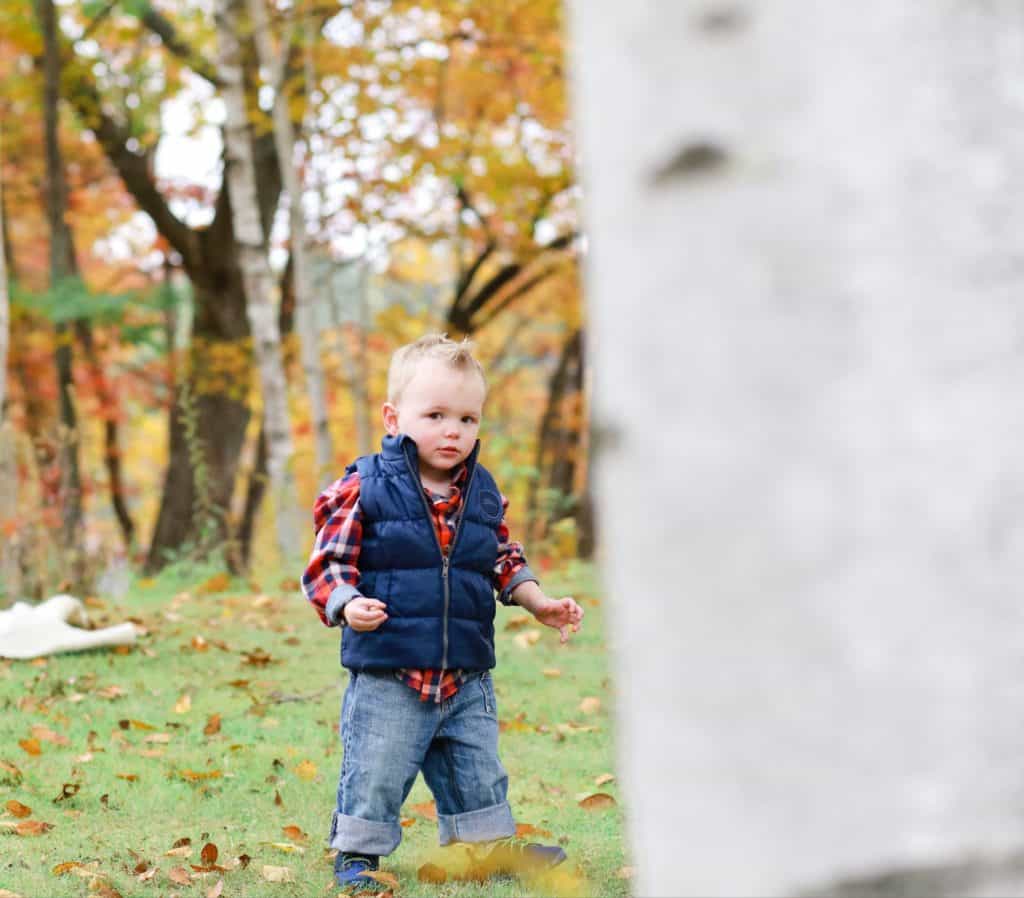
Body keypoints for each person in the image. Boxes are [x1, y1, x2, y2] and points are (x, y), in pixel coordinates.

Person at [301, 333, 585, 891]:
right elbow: (326, 564)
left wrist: (537, 601)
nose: (453, 431)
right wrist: (347, 602)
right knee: (376, 768)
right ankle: (358, 854)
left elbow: (502, 558)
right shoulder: (367, 488)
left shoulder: (481, 493)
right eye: (434, 415)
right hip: (392, 668)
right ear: (392, 417)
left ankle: (486, 849)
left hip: (466, 671)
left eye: (467, 418)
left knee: (476, 767)